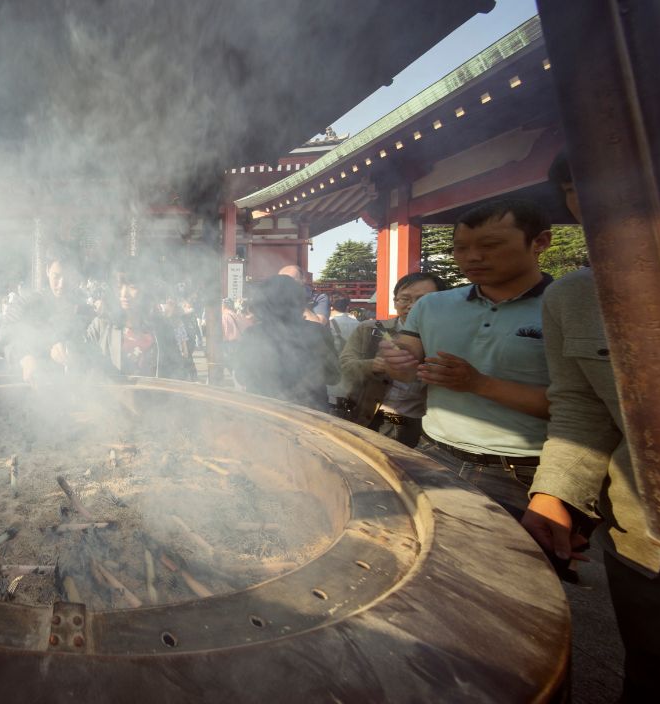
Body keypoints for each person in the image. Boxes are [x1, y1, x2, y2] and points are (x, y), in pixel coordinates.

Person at [520, 153, 660, 701]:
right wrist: (558, 493)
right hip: (643, 534)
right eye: (581, 187)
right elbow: (581, 405)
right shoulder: (573, 296)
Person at [379, 199, 553, 519]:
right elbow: (405, 365)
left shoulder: (568, 307)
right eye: (460, 248)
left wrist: (479, 384)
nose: (472, 257)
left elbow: (585, 408)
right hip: (434, 453)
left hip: (525, 471)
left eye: (491, 245)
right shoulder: (432, 306)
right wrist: (396, 361)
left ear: (540, 242)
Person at [338, 273, 447, 446]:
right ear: (395, 301)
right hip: (370, 420)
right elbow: (343, 367)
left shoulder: (449, 338)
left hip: (424, 430)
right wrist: (374, 365)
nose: (412, 306)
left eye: (422, 299)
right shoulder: (370, 329)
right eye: (404, 299)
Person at [233, 275, 340, 409]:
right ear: (300, 302)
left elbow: (242, 376)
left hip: (264, 412)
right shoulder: (318, 332)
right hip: (311, 415)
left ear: (262, 303)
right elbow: (334, 377)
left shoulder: (252, 334)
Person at [1, 249, 93, 383]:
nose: (61, 285)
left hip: (77, 391)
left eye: (68, 277)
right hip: (36, 391)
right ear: (47, 270)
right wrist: (25, 358)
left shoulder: (84, 308)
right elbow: (5, 335)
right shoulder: (28, 304)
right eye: (57, 276)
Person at [87, 263, 187, 379]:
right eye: (119, 287)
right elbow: (80, 351)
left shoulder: (162, 329)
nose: (124, 294)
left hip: (155, 396)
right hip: (114, 396)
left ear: (145, 289)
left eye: (132, 287)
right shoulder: (103, 325)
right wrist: (62, 338)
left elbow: (177, 370)